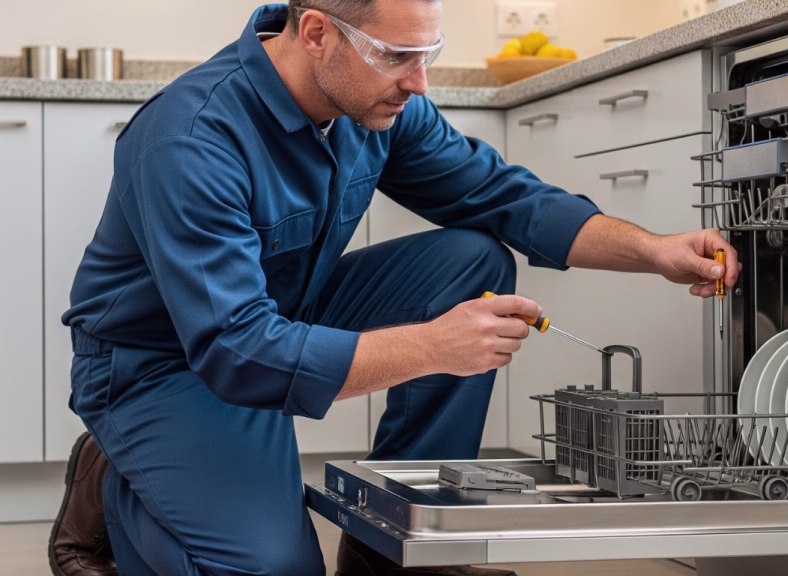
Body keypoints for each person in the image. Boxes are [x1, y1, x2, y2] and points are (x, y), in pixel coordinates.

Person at [47, 1, 740, 575]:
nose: (421, 83)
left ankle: (391, 546)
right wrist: (433, 347)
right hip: (162, 365)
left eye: (429, 53)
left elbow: (503, 198)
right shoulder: (192, 137)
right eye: (398, 56)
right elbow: (238, 350)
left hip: (282, 314)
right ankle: (116, 488)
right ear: (316, 33)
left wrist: (652, 250)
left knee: (472, 260)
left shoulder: (375, 102)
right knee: (272, 569)